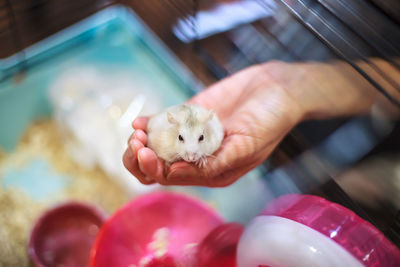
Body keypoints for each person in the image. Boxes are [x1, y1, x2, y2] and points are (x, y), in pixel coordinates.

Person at [123, 59, 400, 187]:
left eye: (201, 141)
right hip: (351, 70)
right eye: (184, 140)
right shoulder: (169, 128)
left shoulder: (213, 128)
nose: (192, 153)